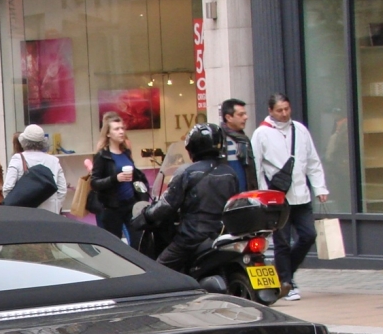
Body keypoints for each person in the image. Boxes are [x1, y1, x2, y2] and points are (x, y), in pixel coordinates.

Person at [251, 93, 328, 300]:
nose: (284, 114)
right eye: (279, 110)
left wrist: (320, 188)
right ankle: (287, 281)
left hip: (301, 195)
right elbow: (256, 166)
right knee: (282, 241)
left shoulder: (300, 130)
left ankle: (285, 273)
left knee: (308, 235)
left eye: (287, 109)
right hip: (277, 198)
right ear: (270, 111)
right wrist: (261, 195)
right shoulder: (261, 134)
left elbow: (312, 160)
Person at [138, 122, 240, 273]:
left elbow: (167, 204)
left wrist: (147, 214)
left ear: (192, 147)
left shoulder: (187, 172)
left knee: (159, 269)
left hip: (192, 236)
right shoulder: (230, 173)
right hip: (222, 234)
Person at [88, 112, 149, 243]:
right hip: (112, 207)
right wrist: (115, 178)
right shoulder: (102, 156)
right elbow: (94, 183)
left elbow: (135, 177)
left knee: (138, 240)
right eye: (116, 129)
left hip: (131, 204)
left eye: (122, 128)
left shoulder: (126, 153)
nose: (121, 132)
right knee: (114, 243)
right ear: (108, 134)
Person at [3, 124, 67, 213]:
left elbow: (7, 188)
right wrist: (55, 207)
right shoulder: (54, 161)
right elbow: (62, 190)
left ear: (24, 141)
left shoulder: (17, 158)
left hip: (25, 212)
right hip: (50, 212)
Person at [219, 98, 257, 192]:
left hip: (245, 195)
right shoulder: (218, 138)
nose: (246, 117)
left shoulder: (244, 140)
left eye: (245, 113)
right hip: (226, 195)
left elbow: (251, 171)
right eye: (240, 114)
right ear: (229, 117)